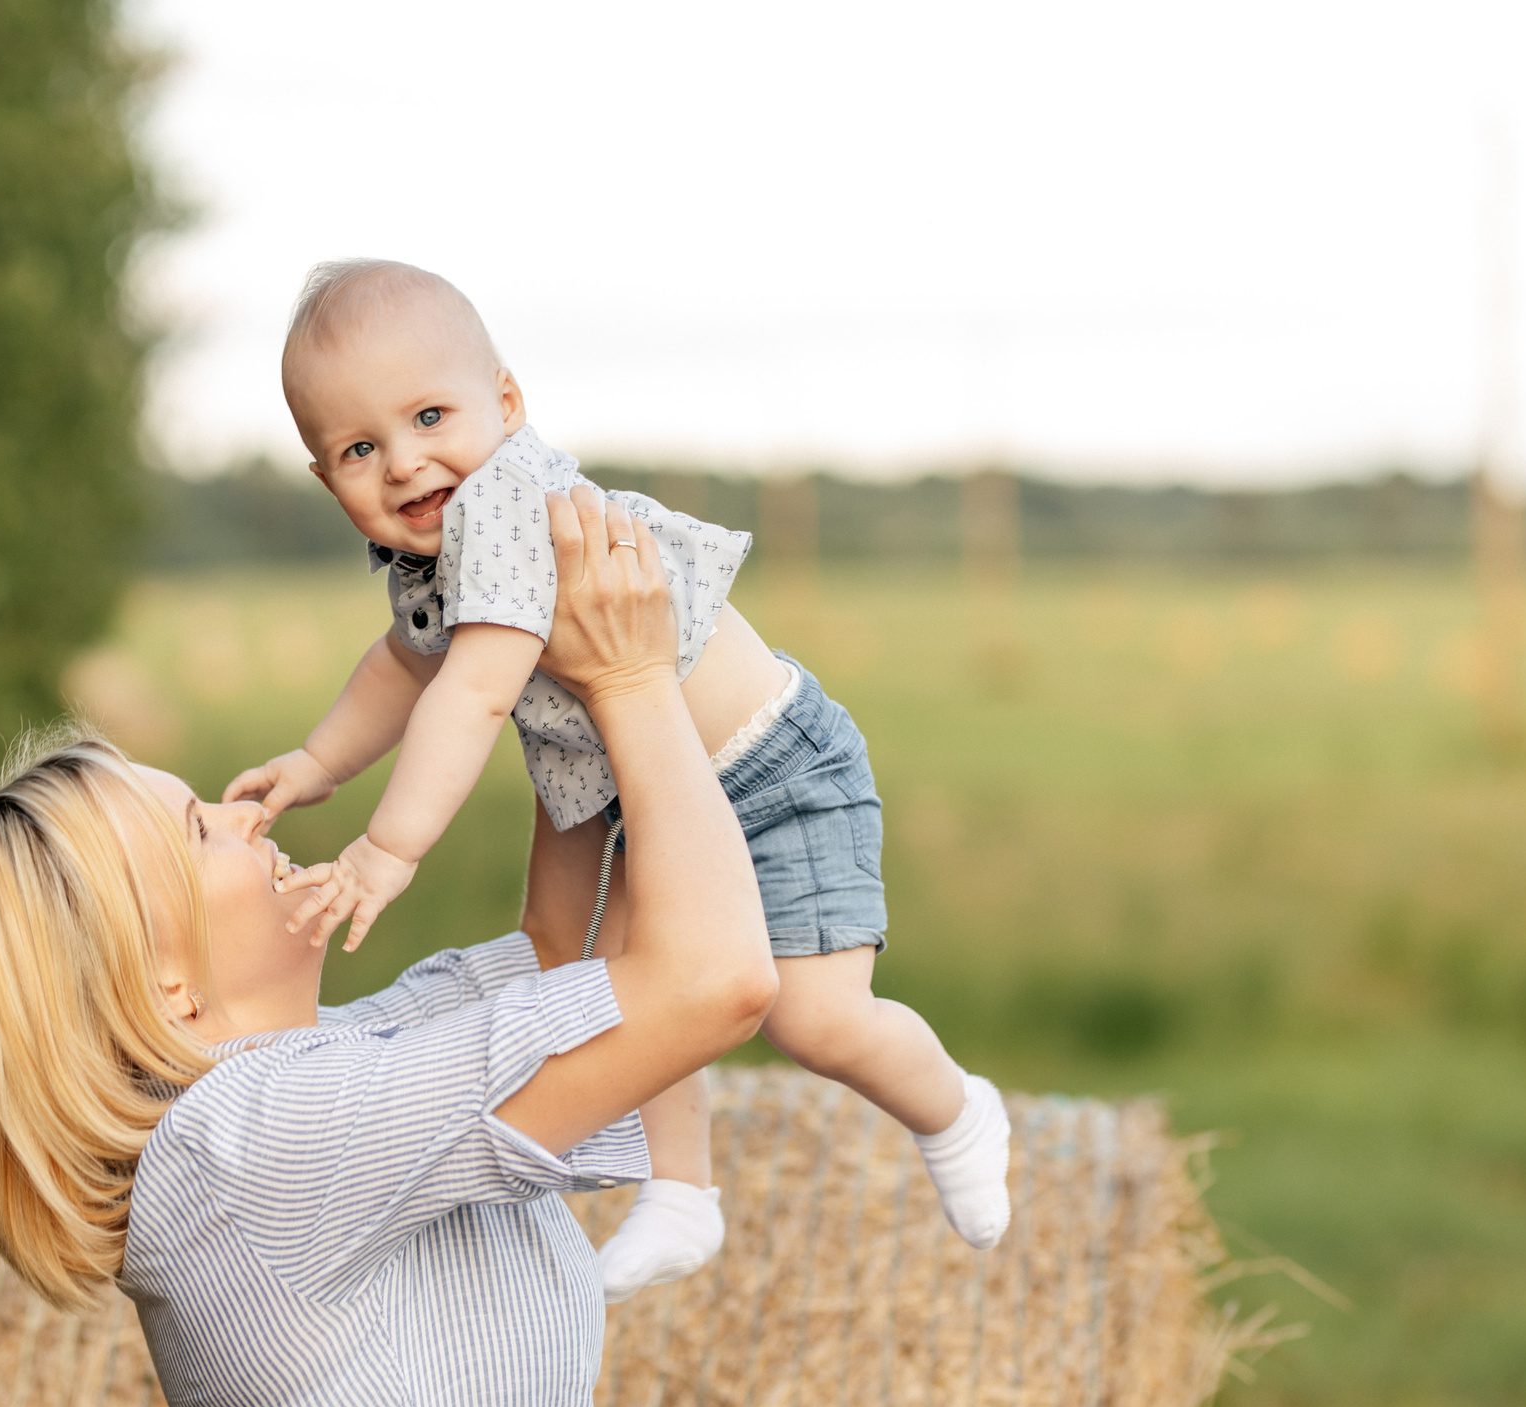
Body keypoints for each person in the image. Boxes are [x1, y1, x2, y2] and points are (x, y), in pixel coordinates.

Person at [0, 487, 773, 1407]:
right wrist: (635, 687)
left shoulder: (327, 1076)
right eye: (204, 829)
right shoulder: (254, 1147)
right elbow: (711, 982)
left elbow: (566, 956)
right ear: (157, 972)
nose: (249, 817)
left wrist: (545, 668)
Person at [223, 259, 1012, 1300]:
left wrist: (387, 849)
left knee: (815, 1020)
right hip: (645, 796)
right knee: (626, 994)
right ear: (329, 481)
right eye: (362, 448)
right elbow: (405, 665)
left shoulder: (508, 506)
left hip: (767, 770)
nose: (407, 464)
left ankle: (955, 1110)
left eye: (428, 416)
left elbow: (471, 693)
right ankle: (680, 1193)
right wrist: (320, 761)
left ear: (505, 403)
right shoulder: (430, 556)